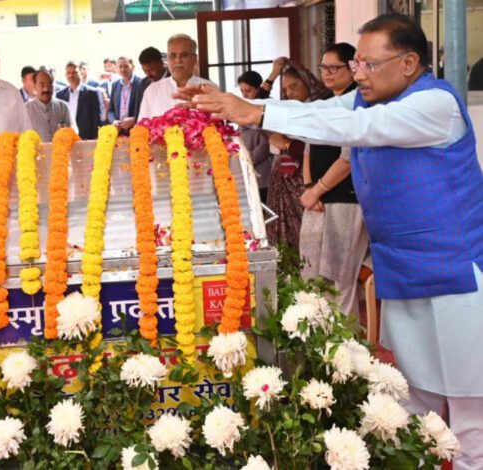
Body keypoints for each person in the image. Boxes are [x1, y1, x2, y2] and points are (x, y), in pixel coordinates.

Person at [186, 15, 483, 467]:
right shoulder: (366, 100)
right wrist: (240, 105)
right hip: (402, 269)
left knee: (469, 409)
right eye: (356, 62)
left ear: (408, 63)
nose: (357, 72)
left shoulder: (434, 104)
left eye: (368, 63)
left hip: (456, 274)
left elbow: (359, 130)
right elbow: (326, 113)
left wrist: (256, 111)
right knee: (410, 394)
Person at [298, 43, 367, 318]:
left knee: (338, 280)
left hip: (344, 200)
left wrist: (316, 190)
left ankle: (344, 351)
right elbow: (307, 147)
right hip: (315, 198)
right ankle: (317, 340)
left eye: (334, 67)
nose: (327, 73)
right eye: (323, 67)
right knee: (312, 275)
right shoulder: (324, 102)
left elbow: (349, 158)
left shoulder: (358, 104)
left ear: (351, 68)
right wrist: (307, 188)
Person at [264, 60, 332, 252]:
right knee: (282, 235)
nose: (289, 93)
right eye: (285, 89)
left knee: (308, 233)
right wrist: (273, 75)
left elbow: (307, 147)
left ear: (307, 83)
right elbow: (258, 109)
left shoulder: (320, 108)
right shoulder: (286, 111)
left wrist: (285, 144)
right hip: (282, 181)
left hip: (305, 179)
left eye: (294, 86)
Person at [138, 34, 214, 121]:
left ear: (194, 58)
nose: (178, 60)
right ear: (167, 58)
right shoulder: (152, 90)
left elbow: (219, 129)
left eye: (184, 55)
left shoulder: (209, 88)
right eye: (173, 55)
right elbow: (141, 128)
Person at [236, 71, 271, 204]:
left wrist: (248, 159)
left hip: (262, 167)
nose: (245, 95)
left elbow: (265, 144)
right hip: (247, 164)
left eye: (248, 91)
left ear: (258, 88)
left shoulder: (266, 107)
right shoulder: (243, 107)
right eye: (242, 91)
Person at [57, 61, 104, 140]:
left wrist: (96, 139)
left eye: (75, 72)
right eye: (68, 72)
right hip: (67, 140)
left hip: (87, 139)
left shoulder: (92, 93)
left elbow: (98, 120)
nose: (71, 75)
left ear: (81, 73)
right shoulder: (60, 95)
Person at [26, 70, 76, 142]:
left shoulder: (63, 107)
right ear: (34, 87)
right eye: (42, 85)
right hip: (36, 153)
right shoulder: (26, 110)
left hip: (62, 152)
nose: (46, 89)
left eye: (49, 85)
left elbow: (73, 133)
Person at [108, 56, 142, 135]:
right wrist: (114, 121)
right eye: (120, 67)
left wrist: (134, 119)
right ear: (117, 68)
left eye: (126, 66)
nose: (123, 69)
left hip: (136, 130)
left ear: (133, 67)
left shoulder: (141, 83)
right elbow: (110, 110)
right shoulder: (115, 85)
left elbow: (146, 109)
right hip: (119, 131)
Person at [135, 46, 170, 120]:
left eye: (151, 69)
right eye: (145, 71)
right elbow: (138, 112)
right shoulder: (143, 84)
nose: (148, 74)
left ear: (161, 63)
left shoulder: (174, 79)